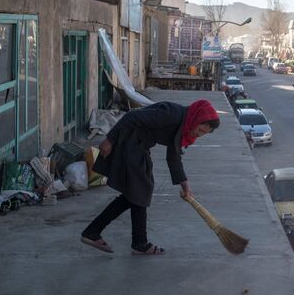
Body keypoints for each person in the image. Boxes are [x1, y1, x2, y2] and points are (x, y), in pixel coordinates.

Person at [81, 100, 220, 255]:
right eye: (199, 130)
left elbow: (173, 156)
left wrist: (185, 185)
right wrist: (110, 139)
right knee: (140, 191)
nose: (197, 134)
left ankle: (99, 233)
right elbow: (132, 117)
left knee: (135, 194)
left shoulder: (183, 124)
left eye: (202, 134)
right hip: (128, 142)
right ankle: (136, 242)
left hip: (139, 146)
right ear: (196, 119)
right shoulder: (172, 115)